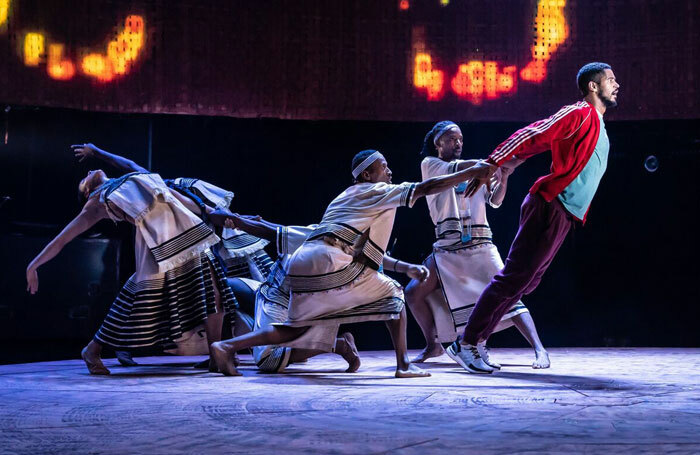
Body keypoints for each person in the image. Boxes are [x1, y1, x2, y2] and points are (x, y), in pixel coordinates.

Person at [209, 149, 492, 377]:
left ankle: (225, 346)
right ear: (367, 174)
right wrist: (471, 172)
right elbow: (425, 187)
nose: (389, 172)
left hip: (304, 263)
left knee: (295, 328)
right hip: (329, 263)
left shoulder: (341, 202)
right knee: (394, 293)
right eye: (383, 167)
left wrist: (240, 221)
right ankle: (403, 365)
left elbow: (278, 231)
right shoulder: (375, 190)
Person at [448, 62, 619, 373]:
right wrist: (496, 160)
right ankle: (467, 342)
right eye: (610, 79)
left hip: (564, 213)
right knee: (514, 277)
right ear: (593, 87)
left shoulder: (597, 123)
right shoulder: (579, 112)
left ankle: (476, 340)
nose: (616, 84)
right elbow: (538, 132)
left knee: (524, 282)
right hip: (549, 205)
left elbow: (550, 145)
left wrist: (512, 165)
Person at [26, 144, 237, 374]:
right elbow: (62, 239)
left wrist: (96, 151)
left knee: (214, 290)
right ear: (87, 192)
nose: (89, 172)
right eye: (84, 178)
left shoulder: (132, 178)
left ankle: (215, 353)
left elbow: (135, 169)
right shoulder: (98, 202)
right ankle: (92, 349)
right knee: (137, 299)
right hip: (157, 245)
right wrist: (34, 264)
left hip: (186, 232)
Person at [404, 121, 550, 372]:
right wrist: (493, 164)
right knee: (413, 291)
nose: (457, 143)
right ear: (438, 143)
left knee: (509, 295)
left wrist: (502, 178)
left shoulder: (478, 170)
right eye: (451, 139)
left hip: (480, 244)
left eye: (460, 139)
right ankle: (434, 345)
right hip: (448, 247)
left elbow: (495, 201)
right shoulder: (430, 164)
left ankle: (539, 348)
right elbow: (458, 169)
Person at [225, 214, 429, 373]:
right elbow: (277, 231)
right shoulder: (321, 237)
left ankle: (336, 345)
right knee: (225, 287)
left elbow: (378, 262)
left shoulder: (353, 251)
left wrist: (405, 268)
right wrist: (240, 221)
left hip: (296, 306)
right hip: (271, 295)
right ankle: (237, 345)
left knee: (269, 360)